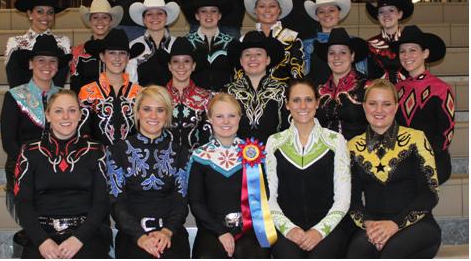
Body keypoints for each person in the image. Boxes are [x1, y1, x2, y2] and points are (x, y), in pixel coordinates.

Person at [347, 79, 441, 258]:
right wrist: (370, 224)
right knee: (356, 251)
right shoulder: (353, 146)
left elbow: (429, 193)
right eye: (373, 104)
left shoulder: (416, 139)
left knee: (391, 252)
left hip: (417, 225)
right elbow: (352, 199)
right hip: (373, 225)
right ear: (364, 106)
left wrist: (394, 224)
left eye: (386, 104)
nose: (379, 110)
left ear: (396, 107)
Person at [13, 90, 111, 259]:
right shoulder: (29, 151)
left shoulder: (96, 150)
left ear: (80, 115)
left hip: (87, 235)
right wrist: (42, 240)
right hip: (42, 235)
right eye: (58, 111)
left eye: (72, 110)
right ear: (48, 115)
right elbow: (23, 202)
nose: (66, 116)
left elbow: (102, 202)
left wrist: (79, 238)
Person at [0, 34, 71, 255]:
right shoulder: (14, 96)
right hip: (24, 165)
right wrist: (31, 164)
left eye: (52, 61)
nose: (47, 66)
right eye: (40, 60)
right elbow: (8, 141)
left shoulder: (65, 97)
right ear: (30, 64)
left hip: (61, 164)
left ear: (58, 66)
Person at [266, 78, 351, 258]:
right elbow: (269, 197)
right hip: (287, 227)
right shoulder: (274, 142)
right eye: (296, 100)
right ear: (287, 105)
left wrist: (319, 231)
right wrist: (288, 229)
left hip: (330, 227)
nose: (303, 105)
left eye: (309, 99)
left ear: (317, 103)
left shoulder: (336, 141)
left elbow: (343, 198)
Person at [106, 85, 190, 258]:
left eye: (160, 110)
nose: (153, 116)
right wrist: (140, 236)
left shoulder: (180, 152)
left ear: (167, 115)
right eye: (147, 109)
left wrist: (167, 231)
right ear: (137, 113)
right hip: (132, 236)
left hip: (170, 234)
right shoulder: (117, 151)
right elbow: (117, 202)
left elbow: (180, 201)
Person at [188, 93, 275, 258]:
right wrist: (221, 232)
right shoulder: (200, 156)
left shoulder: (252, 152)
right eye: (219, 116)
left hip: (248, 228)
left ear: (239, 118)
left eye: (231, 116)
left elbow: (263, 196)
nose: (226, 121)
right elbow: (196, 202)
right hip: (212, 230)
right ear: (210, 119)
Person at [392, 25, 455, 184]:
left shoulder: (440, 89)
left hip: (434, 159)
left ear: (425, 53)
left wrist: (422, 155)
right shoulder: (396, 89)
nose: (406, 55)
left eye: (412, 50)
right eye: (402, 51)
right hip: (403, 159)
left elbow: (446, 132)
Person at [78, 28, 144, 147]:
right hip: (97, 159)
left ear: (128, 57)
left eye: (122, 53)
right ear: (102, 56)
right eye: (112, 53)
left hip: (132, 160)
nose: (117, 58)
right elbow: (83, 132)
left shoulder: (140, 92)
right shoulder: (87, 92)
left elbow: (144, 131)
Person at [224, 31, 289, 144]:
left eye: (259, 54)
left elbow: (289, 129)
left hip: (274, 156)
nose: (253, 58)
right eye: (247, 54)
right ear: (241, 61)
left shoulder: (283, 91)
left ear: (268, 60)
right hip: (236, 156)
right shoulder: (228, 92)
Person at [5, 0, 71, 88]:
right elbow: (14, 81)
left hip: (53, 101)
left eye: (50, 12)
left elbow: (59, 82)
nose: (45, 16)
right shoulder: (15, 43)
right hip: (22, 101)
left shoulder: (63, 43)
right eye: (40, 11)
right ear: (29, 14)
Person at [314, 28, 369, 141]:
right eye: (332, 53)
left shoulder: (367, 87)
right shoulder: (317, 89)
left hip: (357, 153)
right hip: (324, 152)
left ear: (352, 56)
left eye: (342, 52)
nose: (336, 57)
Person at [303, 0, 367, 85]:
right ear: (316, 16)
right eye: (321, 12)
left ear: (339, 13)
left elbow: (361, 75)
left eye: (331, 10)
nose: (327, 15)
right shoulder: (306, 46)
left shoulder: (355, 44)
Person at [244, 0, 305, 82]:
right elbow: (240, 72)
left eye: (272, 6)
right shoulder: (245, 39)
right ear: (255, 10)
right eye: (262, 6)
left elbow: (297, 72)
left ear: (279, 10)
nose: (267, 10)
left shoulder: (292, 38)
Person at [163, 37, 212, 152]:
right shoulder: (158, 96)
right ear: (169, 66)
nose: (181, 66)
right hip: (162, 163)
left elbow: (210, 137)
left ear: (193, 66)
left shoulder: (206, 97)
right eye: (176, 61)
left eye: (186, 61)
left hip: (196, 163)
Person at [184, 0, 236, 91]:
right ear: (197, 16)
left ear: (219, 15)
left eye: (213, 11)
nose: (209, 15)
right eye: (203, 11)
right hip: (194, 98)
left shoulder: (231, 43)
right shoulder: (186, 42)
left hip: (224, 98)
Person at [70, 0, 123, 93]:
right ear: (90, 21)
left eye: (105, 17)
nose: (100, 21)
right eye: (95, 17)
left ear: (110, 21)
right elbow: (75, 87)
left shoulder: (120, 51)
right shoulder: (78, 52)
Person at [126, 0, 180, 86]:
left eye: (160, 13)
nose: (155, 17)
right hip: (142, 97)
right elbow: (131, 81)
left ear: (166, 18)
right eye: (149, 14)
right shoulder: (134, 46)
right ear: (144, 19)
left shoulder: (178, 44)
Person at [366, 0, 414, 83]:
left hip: (408, 93)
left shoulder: (412, 41)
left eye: (391, 10)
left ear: (399, 14)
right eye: (381, 11)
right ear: (378, 16)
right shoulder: (369, 44)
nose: (386, 15)